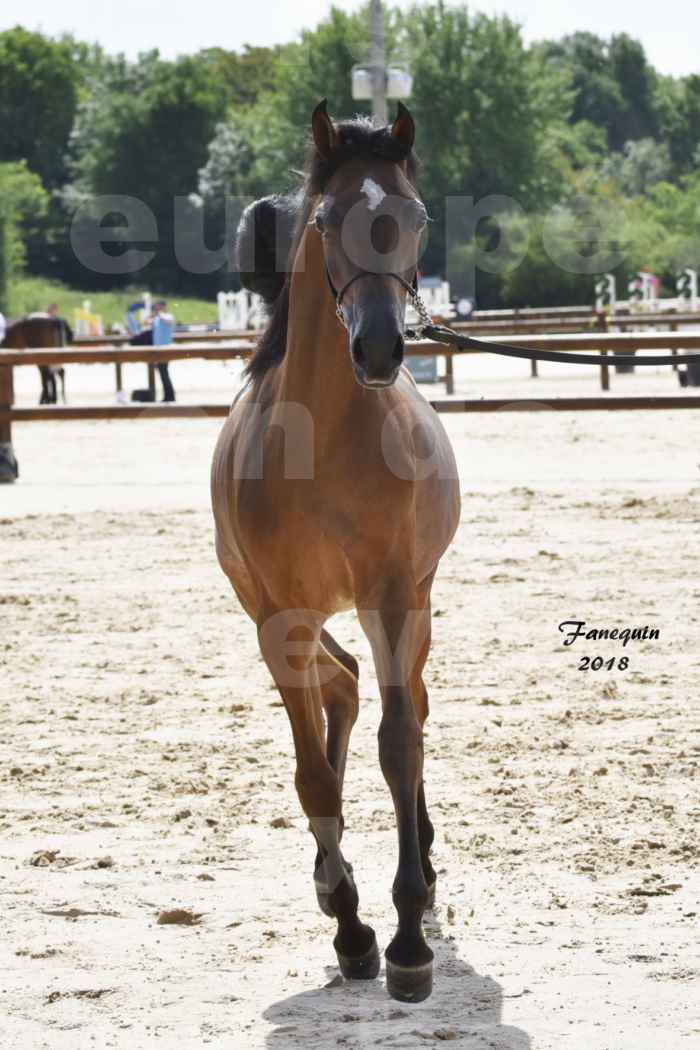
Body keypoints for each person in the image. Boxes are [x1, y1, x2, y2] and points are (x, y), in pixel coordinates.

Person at [151, 301, 176, 402]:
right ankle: (167, 395)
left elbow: (169, 321)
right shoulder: (157, 319)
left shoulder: (169, 316)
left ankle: (170, 396)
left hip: (165, 349)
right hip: (157, 350)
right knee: (162, 374)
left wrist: (160, 313)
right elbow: (145, 323)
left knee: (164, 373)